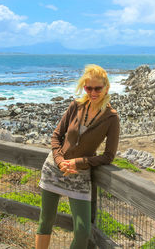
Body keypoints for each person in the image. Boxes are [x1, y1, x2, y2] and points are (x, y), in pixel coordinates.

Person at [36, 64, 120, 249]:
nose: (93, 92)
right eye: (88, 88)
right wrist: (60, 161)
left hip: (79, 174)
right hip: (54, 169)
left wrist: (79, 162)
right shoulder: (76, 106)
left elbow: (109, 156)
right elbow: (56, 136)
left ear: (107, 88)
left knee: (82, 231)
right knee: (46, 220)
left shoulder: (111, 117)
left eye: (97, 88)